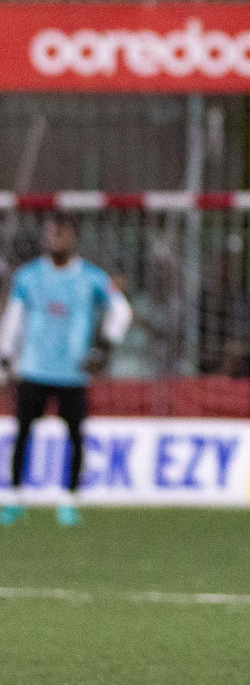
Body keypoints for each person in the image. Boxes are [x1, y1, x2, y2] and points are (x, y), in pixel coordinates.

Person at [0, 216, 132, 527]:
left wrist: (104, 345)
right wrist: (5, 357)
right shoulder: (28, 277)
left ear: (72, 237)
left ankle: (69, 501)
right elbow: (13, 320)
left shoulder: (93, 278)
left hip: (73, 372)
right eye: (50, 235)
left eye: (60, 234)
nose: (54, 240)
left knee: (75, 436)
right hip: (33, 368)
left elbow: (122, 310)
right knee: (23, 434)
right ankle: (15, 498)